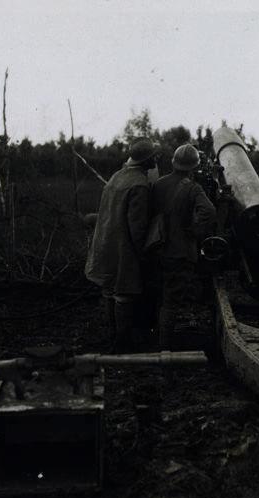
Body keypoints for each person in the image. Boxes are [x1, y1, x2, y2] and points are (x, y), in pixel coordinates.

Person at [86, 138, 158, 353]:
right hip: (123, 246)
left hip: (107, 242)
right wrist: (144, 252)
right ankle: (122, 342)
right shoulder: (140, 184)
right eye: (153, 156)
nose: (156, 159)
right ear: (147, 160)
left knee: (109, 290)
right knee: (124, 294)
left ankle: (113, 335)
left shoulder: (117, 176)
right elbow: (137, 226)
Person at [149, 144, 216, 350]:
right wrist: (195, 231)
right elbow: (209, 211)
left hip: (157, 247)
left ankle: (157, 339)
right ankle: (165, 348)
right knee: (171, 301)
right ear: (194, 167)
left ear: (174, 163)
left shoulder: (158, 184)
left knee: (160, 295)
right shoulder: (193, 188)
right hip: (180, 252)